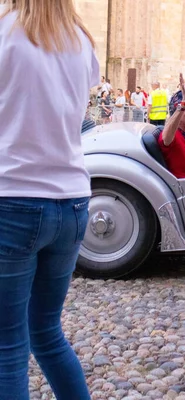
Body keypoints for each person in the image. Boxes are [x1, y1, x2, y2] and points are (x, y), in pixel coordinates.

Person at [0, 0, 99, 398]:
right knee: (47, 332)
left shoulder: (5, 32)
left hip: (14, 198)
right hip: (72, 200)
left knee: (8, 346)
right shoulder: (80, 39)